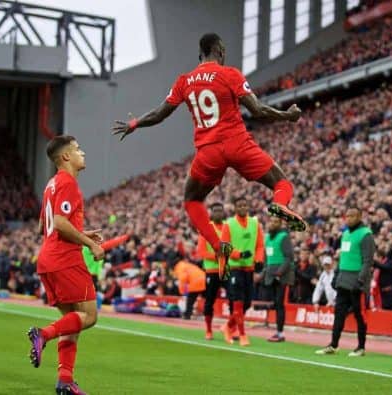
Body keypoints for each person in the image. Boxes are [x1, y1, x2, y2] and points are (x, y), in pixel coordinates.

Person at [112, 33, 306, 280]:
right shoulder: (230, 74)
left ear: (199, 55)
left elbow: (161, 113)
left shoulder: (185, 81)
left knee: (192, 200)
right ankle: (280, 203)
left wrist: (134, 123)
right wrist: (286, 116)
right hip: (238, 143)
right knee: (281, 182)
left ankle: (219, 247)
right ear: (221, 51)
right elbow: (257, 111)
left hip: (208, 151)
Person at [27, 135, 105, 395]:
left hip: (48, 258)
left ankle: (65, 381)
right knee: (89, 316)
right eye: (78, 149)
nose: (83, 153)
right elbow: (59, 223)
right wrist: (89, 244)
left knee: (73, 322)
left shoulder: (51, 184)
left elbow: (43, 226)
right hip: (65, 259)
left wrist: (82, 232)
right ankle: (43, 334)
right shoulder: (68, 182)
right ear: (66, 157)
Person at [316, 206, 375, 357]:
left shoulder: (366, 234)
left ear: (360, 216)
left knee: (359, 315)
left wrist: (361, 281)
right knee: (339, 314)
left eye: (352, 216)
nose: (349, 219)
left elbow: (368, 262)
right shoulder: (345, 234)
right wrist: (336, 276)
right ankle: (333, 345)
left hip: (357, 281)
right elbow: (343, 258)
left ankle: (361, 347)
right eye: (347, 216)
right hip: (344, 279)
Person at [195, 202, 244, 340]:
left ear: (223, 213)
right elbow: (202, 252)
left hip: (227, 269)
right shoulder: (206, 229)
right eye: (215, 211)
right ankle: (208, 330)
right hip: (212, 270)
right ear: (211, 213)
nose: (218, 213)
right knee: (209, 300)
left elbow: (232, 247)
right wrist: (218, 256)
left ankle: (230, 328)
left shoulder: (228, 228)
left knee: (232, 299)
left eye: (220, 211)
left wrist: (236, 255)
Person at [221, 196, 265, 347]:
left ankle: (227, 327)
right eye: (239, 205)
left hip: (249, 269)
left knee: (247, 303)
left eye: (244, 205)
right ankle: (242, 334)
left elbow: (259, 245)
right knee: (238, 302)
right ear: (234, 208)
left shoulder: (255, 223)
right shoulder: (229, 224)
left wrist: (259, 260)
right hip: (235, 268)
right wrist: (239, 254)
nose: (242, 208)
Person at [258, 217, 294, 342]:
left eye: (276, 222)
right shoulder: (267, 238)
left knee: (279, 303)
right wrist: (262, 274)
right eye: (271, 221)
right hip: (270, 274)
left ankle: (280, 333)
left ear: (280, 224)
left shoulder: (284, 237)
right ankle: (278, 330)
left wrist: (280, 272)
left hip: (281, 275)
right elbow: (266, 259)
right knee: (274, 302)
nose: (273, 223)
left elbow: (289, 257)